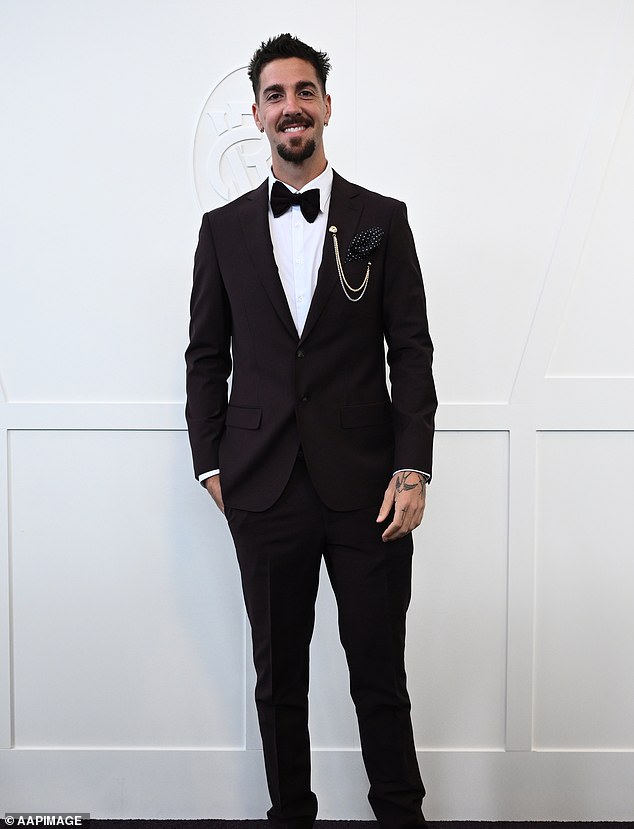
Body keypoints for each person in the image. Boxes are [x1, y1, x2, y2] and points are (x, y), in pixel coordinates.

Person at [185, 33, 437, 829]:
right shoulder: (221, 231)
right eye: (274, 94)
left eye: (303, 91)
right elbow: (204, 356)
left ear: (326, 106)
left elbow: (411, 350)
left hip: (369, 488)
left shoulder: (378, 222)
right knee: (276, 677)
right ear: (257, 113)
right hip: (261, 485)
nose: (290, 107)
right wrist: (210, 463)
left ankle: (401, 815)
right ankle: (290, 815)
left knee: (379, 676)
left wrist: (413, 467)